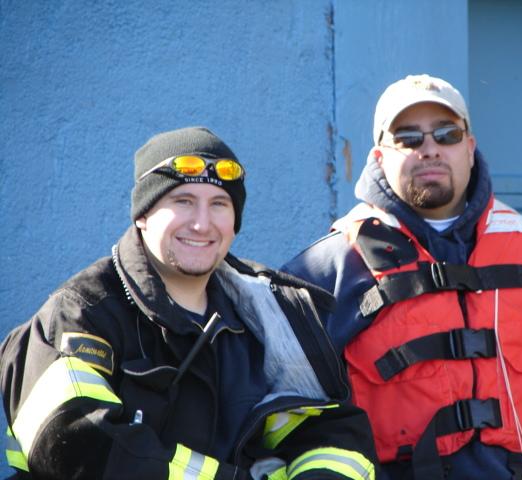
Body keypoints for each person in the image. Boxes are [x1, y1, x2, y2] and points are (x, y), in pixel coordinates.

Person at [282, 74, 522, 480]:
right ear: (379, 157)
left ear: (470, 148)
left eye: (447, 134)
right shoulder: (326, 273)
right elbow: (287, 416)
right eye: (409, 138)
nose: (430, 149)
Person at [0, 126, 379, 479]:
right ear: (143, 215)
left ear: (234, 222)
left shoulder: (265, 317)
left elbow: (326, 431)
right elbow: (71, 442)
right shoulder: (81, 313)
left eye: (219, 204)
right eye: (183, 201)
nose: (202, 223)